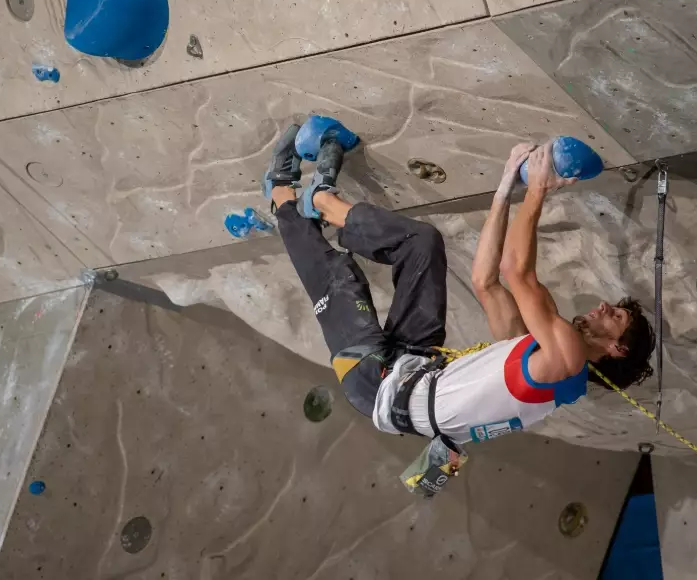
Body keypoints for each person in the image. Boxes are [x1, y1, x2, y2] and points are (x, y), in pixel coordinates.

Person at [264, 133, 655, 443]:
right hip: (415, 360)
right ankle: (324, 202)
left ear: (616, 349)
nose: (604, 306)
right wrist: (505, 187)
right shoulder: (538, 357)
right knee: (422, 244)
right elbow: (486, 282)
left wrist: (537, 189)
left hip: (378, 386)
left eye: (616, 316)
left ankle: (281, 192)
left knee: (340, 277)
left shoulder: (566, 358)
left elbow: (517, 272)